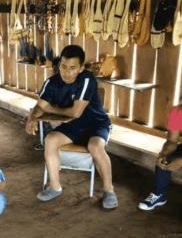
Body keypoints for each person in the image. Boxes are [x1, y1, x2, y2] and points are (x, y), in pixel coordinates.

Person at [25, 45, 118, 209]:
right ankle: (55, 186)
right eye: (63, 66)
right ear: (59, 64)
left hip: (96, 124)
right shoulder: (52, 82)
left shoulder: (87, 79)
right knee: (50, 140)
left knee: (95, 146)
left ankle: (109, 190)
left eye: (73, 68)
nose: (66, 72)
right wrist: (32, 117)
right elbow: (40, 106)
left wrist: (49, 108)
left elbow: (75, 112)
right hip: (73, 126)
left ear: (81, 68)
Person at [138, 81, 182, 230]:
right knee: (165, 160)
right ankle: (159, 194)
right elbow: (172, 140)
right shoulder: (177, 112)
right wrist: (163, 153)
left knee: (177, 159)